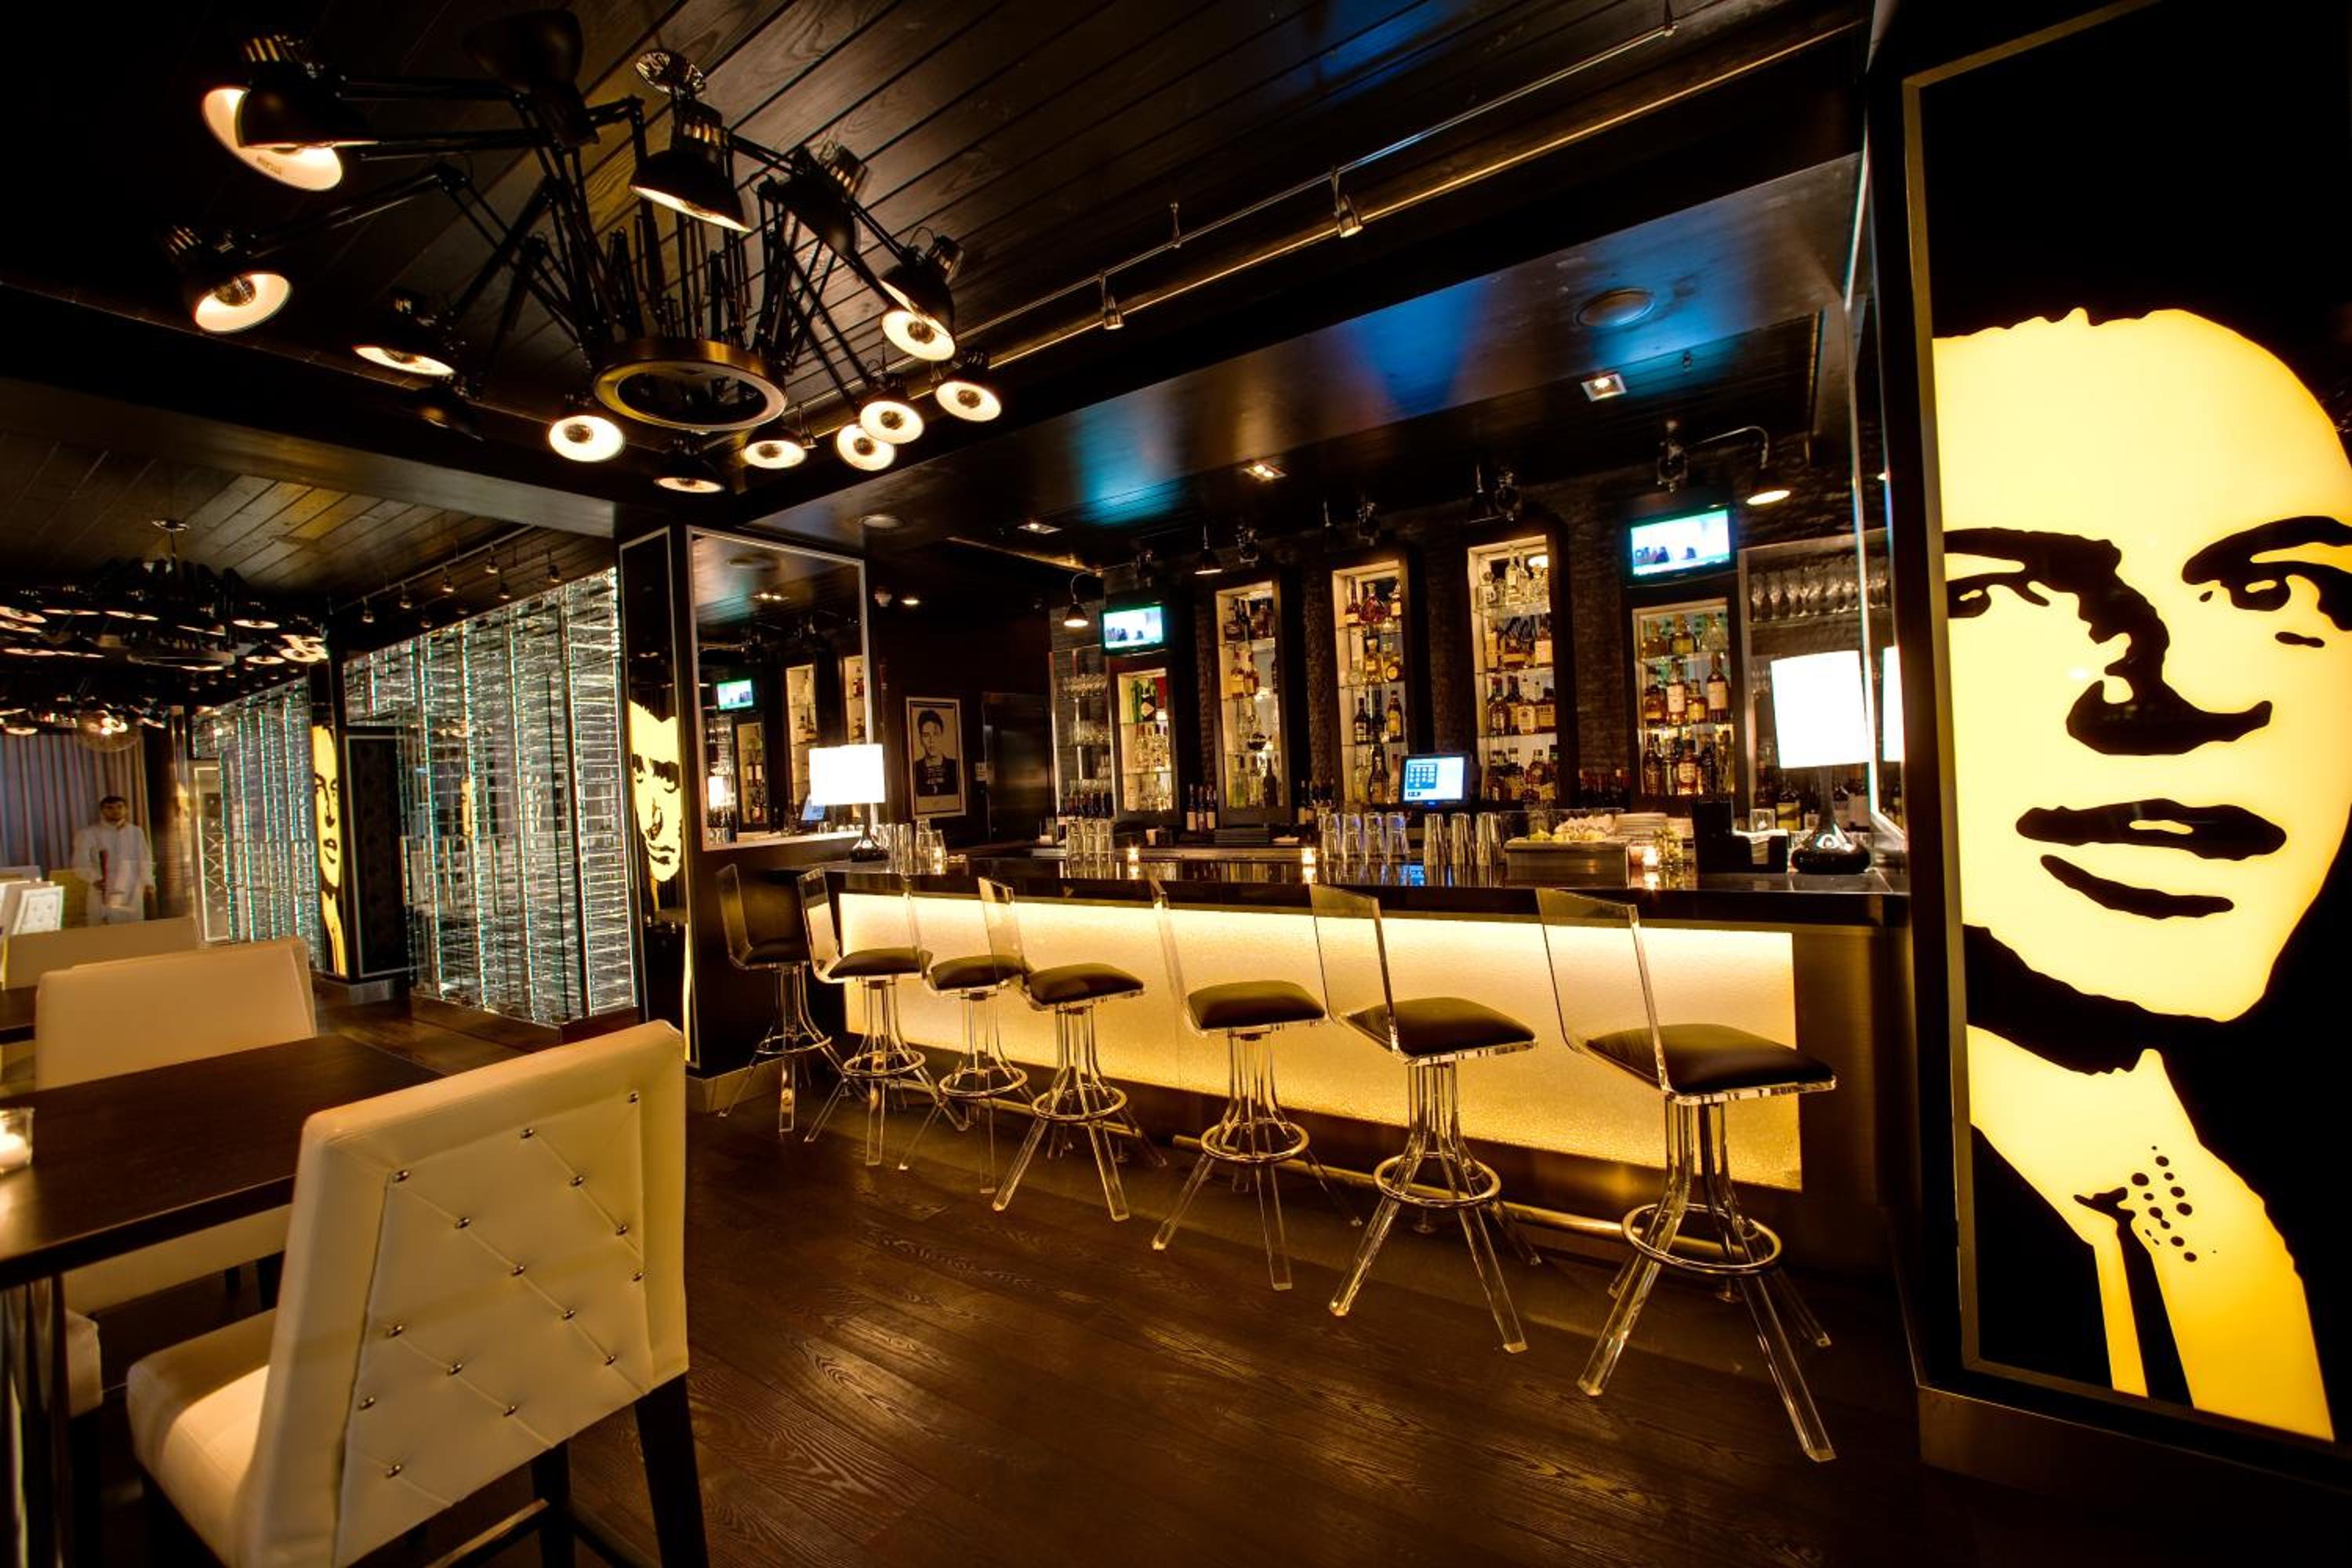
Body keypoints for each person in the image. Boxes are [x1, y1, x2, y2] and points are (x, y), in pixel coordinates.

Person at [71, 793, 154, 924]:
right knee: (105, 930)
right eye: (110, 808)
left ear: (126, 809)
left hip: (132, 889)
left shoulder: (136, 832)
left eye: (120, 807)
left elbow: (144, 859)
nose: (115, 811)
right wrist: (95, 879)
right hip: (105, 887)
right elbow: (80, 863)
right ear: (102, 811)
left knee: (133, 929)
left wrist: (148, 882)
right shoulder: (88, 834)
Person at [913, 706, 959, 806]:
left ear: (942, 736)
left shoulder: (955, 767)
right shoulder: (914, 769)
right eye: (926, 735)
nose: (931, 741)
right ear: (921, 740)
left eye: (935, 734)